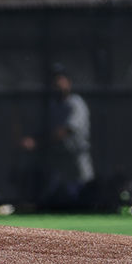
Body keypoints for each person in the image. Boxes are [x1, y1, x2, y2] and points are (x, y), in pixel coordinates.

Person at [46, 64, 95, 206]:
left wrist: (39, 142)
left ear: (69, 82)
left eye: (61, 79)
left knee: (84, 193)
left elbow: (67, 130)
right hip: (59, 157)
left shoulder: (76, 103)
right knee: (60, 196)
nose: (57, 83)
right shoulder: (53, 105)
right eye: (55, 80)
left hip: (77, 158)